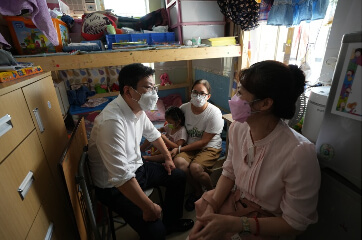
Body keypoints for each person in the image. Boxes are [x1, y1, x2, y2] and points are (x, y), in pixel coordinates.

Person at [189, 60, 321, 240]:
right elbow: (229, 172)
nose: (234, 98)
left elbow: (294, 224)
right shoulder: (238, 128)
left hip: (268, 225)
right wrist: (212, 206)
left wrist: (235, 224)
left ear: (265, 104)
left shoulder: (299, 153)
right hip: (235, 204)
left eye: (240, 92)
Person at [87, 63, 194, 240]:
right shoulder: (111, 122)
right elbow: (120, 177)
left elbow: (153, 134)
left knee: (178, 176)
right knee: (156, 232)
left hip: (138, 169)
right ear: (128, 91)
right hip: (114, 186)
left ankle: (171, 222)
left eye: (154, 87)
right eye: (147, 88)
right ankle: (161, 227)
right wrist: (149, 207)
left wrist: (168, 157)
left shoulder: (137, 109)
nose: (154, 93)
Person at [171, 79, 224, 211]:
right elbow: (174, 125)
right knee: (179, 163)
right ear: (191, 93)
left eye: (202, 93)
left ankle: (212, 193)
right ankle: (198, 192)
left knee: (195, 168)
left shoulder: (214, 113)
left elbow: (204, 141)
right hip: (190, 145)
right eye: (195, 92)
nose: (198, 96)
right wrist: (165, 129)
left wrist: (179, 149)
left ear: (208, 96)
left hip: (209, 147)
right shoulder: (184, 109)